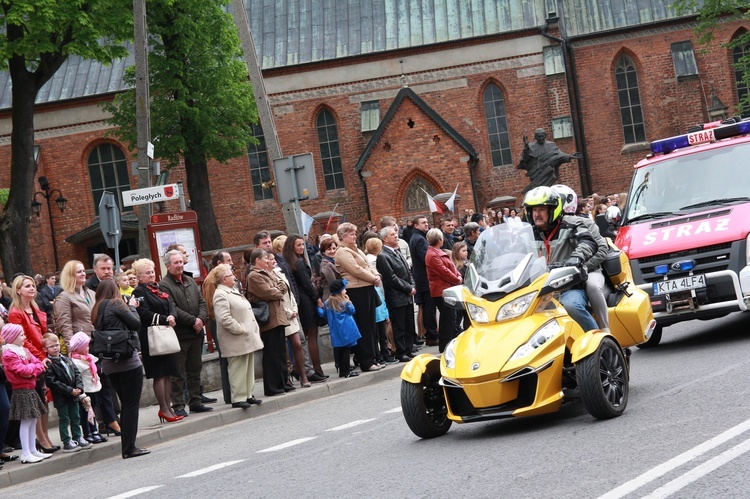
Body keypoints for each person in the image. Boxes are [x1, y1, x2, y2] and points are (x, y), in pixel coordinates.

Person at [54, 260, 121, 436]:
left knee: (103, 382)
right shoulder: (64, 297)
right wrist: (72, 351)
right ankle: (91, 427)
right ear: (70, 275)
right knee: (87, 389)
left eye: (84, 271)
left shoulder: (91, 293)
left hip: (97, 344)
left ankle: (111, 420)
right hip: (80, 348)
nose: (83, 274)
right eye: (78, 272)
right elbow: (65, 325)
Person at [522, 186, 601, 332]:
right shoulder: (528, 233)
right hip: (538, 290)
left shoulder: (570, 224)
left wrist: (576, 257)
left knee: (571, 306)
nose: (536, 214)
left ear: (553, 210)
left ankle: (599, 343)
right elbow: (516, 253)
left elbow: (588, 242)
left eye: (541, 210)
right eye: (534, 210)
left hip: (568, 286)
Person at [90, 279, 149, 459]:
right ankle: (129, 447)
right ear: (115, 291)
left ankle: (128, 445)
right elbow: (135, 323)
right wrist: (131, 306)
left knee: (125, 404)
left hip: (109, 364)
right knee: (131, 405)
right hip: (127, 360)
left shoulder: (96, 308)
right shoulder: (116, 303)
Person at [8, 275, 58, 454]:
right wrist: (38, 357)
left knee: (43, 399)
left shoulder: (35, 308)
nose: (31, 288)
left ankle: (45, 435)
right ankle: (41, 439)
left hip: (42, 357)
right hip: (32, 360)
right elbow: (23, 340)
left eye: (32, 286)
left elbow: (41, 334)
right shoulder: (16, 312)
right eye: (27, 286)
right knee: (36, 401)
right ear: (18, 290)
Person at [158, 250, 212, 417]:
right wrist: (193, 321)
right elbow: (172, 307)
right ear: (168, 266)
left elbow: (202, 302)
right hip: (180, 334)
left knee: (195, 369)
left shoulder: (189, 280)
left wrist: (201, 319)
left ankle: (195, 401)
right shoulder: (165, 284)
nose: (180, 265)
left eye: (181, 262)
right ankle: (178, 404)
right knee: (178, 373)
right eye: (176, 263)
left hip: (196, 333)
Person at [203, 264, 264, 409]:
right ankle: (238, 397)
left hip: (245, 337)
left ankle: (248, 394)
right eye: (231, 275)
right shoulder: (221, 294)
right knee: (237, 368)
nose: (234, 277)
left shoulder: (232, 290)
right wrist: (240, 329)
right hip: (236, 338)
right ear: (224, 279)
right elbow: (224, 318)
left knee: (248, 366)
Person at [552, 184, 610, 330]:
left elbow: (602, 250)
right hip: (562, 276)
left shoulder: (586, 223)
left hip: (590, 271)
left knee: (592, 286)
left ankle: (604, 329)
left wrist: (581, 266)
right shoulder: (550, 229)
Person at [131, 258, 182, 423]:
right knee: (159, 374)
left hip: (165, 334)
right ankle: (163, 408)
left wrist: (172, 315)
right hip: (151, 337)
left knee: (167, 373)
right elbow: (143, 313)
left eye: (152, 271)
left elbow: (170, 304)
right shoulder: (139, 292)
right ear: (139, 277)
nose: (151, 274)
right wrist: (164, 319)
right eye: (147, 273)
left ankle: (169, 407)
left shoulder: (157, 288)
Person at [335, 222, 384, 372]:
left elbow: (368, 265)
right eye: (351, 234)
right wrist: (372, 278)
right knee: (363, 325)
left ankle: (372, 357)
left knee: (370, 325)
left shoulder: (356, 250)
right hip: (356, 289)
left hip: (367, 287)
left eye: (354, 233)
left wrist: (375, 275)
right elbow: (355, 270)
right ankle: (366, 361)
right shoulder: (342, 252)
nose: (354, 236)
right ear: (343, 236)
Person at [1, 323, 50, 464]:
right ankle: (26, 452)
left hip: (30, 388)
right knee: (26, 420)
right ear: (12, 337)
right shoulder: (9, 353)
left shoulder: (24, 350)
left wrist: (33, 368)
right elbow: (24, 371)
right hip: (21, 390)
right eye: (21, 335)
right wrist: (34, 368)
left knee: (33, 419)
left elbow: (38, 364)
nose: (24, 337)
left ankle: (33, 449)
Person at [246, 249, 291, 396]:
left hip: (277, 316)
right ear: (257, 260)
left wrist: (277, 289)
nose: (268, 261)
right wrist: (277, 290)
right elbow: (270, 293)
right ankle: (272, 387)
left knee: (280, 352)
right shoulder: (254, 276)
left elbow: (283, 285)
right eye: (265, 258)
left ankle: (283, 382)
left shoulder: (267, 272)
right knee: (272, 353)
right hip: (269, 319)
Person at [283, 235, 326, 379]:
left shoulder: (290, 261)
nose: (302, 247)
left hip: (301, 299)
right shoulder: (298, 263)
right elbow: (307, 284)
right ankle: (317, 369)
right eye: (298, 245)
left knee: (308, 336)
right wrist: (317, 299)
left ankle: (299, 369)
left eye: (303, 244)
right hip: (306, 300)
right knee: (312, 335)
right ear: (292, 247)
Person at [42, 332, 92, 453]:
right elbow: (52, 382)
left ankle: (78, 437)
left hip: (74, 395)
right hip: (62, 397)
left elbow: (77, 373)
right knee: (64, 418)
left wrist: (79, 387)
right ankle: (66, 440)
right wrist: (70, 390)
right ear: (45, 349)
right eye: (52, 346)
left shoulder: (67, 359)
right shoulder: (49, 364)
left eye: (57, 345)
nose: (55, 348)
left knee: (75, 417)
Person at [376, 225, 417, 363]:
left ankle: (409, 349)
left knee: (409, 324)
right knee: (399, 326)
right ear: (385, 239)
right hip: (396, 296)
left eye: (396, 233)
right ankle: (401, 351)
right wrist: (407, 288)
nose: (396, 236)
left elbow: (407, 271)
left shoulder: (397, 251)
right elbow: (391, 278)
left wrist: (412, 285)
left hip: (407, 294)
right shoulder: (383, 256)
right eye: (393, 234)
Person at [425, 229, 462, 352]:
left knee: (451, 318)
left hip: (447, 287)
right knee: (447, 319)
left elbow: (451, 266)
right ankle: (446, 345)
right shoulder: (432, 254)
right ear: (439, 240)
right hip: (441, 290)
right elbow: (443, 271)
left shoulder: (438, 252)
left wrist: (457, 275)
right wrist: (456, 278)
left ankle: (451, 342)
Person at [68, 332, 107, 444]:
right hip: (85, 391)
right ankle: (87, 433)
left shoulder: (89, 358)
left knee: (93, 411)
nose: (88, 348)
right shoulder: (76, 362)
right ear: (79, 348)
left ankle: (94, 431)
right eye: (86, 346)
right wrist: (81, 394)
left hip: (93, 389)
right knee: (85, 413)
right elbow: (76, 379)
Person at [318, 279, 362, 378]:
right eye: (344, 289)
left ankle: (342, 371)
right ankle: (347, 371)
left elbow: (323, 314)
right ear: (339, 291)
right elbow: (352, 311)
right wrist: (348, 300)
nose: (345, 291)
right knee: (347, 351)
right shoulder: (344, 302)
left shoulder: (328, 303)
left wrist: (317, 308)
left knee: (341, 350)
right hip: (347, 329)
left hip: (336, 332)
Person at [517, 128, 581, 192]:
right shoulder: (530, 146)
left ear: (545, 136)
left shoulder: (551, 145)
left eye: (542, 136)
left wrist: (569, 156)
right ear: (536, 137)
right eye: (539, 137)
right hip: (537, 175)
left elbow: (559, 155)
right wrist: (526, 147)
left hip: (549, 175)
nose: (541, 138)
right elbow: (525, 159)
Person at [364, 237, 396, 365]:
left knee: (382, 327)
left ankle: (384, 351)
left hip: (378, 295)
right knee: (380, 329)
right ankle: (383, 353)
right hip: (377, 294)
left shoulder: (370, 258)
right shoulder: (373, 260)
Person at [408, 216, 439, 347]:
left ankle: (431, 334)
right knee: (429, 308)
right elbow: (427, 259)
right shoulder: (419, 239)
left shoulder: (419, 237)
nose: (426, 224)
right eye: (423, 222)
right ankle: (431, 335)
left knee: (428, 308)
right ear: (416, 225)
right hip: (425, 280)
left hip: (423, 279)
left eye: (427, 222)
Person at [451, 241, 469, 333]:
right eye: (463, 251)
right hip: (461, 295)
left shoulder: (467, 263)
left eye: (466, 250)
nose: (466, 252)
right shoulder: (458, 266)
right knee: (459, 316)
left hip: (468, 294)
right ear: (457, 252)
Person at [318, 238, 341, 302]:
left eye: (334, 248)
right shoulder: (326, 265)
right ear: (323, 251)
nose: (332, 251)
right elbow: (333, 283)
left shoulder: (333, 261)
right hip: (331, 298)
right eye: (329, 249)